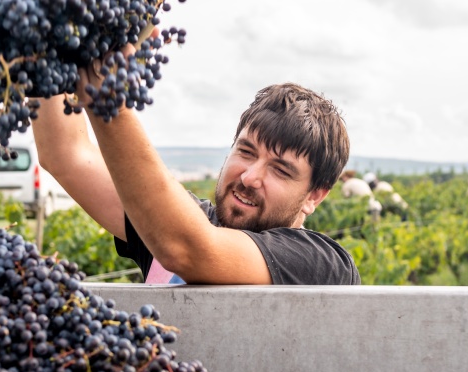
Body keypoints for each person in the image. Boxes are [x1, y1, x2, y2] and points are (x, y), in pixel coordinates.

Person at [32, 58, 360, 285]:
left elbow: (187, 250)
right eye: (246, 152)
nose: (249, 177)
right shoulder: (172, 221)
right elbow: (67, 154)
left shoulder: (323, 265)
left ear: (315, 195)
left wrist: (107, 97)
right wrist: (46, 45)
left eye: (281, 171)